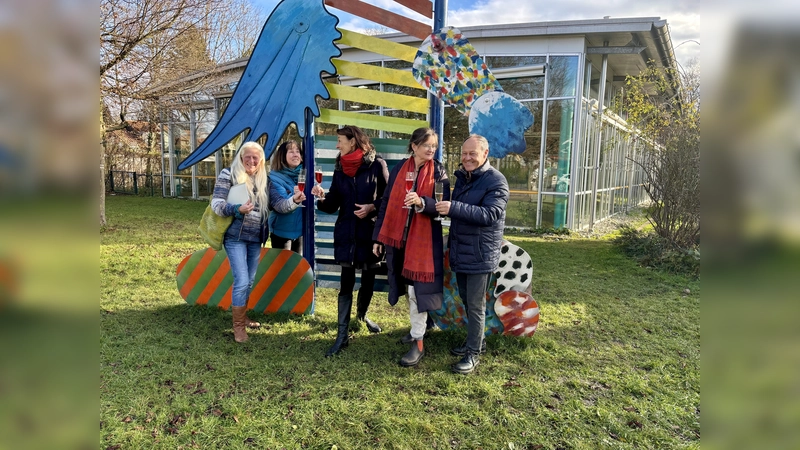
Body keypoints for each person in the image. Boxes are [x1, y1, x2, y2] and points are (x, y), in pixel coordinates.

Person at [373, 127, 450, 367]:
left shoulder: (439, 171)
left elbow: (443, 203)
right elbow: (386, 202)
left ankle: (418, 342)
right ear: (414, 146)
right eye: (427, 145)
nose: (431, 150)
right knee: (409, 289)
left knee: (419, 292)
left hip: (424, 242)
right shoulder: (399, 169)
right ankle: (422, 327)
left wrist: (421, 203)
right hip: (399, 240)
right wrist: (379, 238)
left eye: (434, 146)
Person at [311, 125, 389, 357]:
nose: (337, 145)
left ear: (352, 142)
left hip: (370, 234)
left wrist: (371, 208)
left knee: (368, 279)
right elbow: (333, 203)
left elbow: (389, 198)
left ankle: (362, 316)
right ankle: (341, 336)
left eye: (339, 140)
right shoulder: (340, 168)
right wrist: (321, 198)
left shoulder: (377, 165)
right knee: (345, 284)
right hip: (346, 234)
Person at [435, 135, 509, 374]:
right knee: (468, 301)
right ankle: (477, 342)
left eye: (472, 154)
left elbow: (490, 214)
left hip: (480, 253)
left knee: (476, 305)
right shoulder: (465, 179)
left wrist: (453, 208)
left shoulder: (496, 181)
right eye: (464, 153)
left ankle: (473, 353)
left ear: (485, 154)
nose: (467, 158)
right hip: (462, 250)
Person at [211, 141, 270, 343]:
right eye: (248, 157)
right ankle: (238, 327)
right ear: (241, 157)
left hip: (255, 238)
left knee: (250, 282)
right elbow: (217, 204)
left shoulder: (263, 179)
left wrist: (295, 199)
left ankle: (243, 318)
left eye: (256, 157)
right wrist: (236, 210)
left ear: (261, 160)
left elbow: (278, 203)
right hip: (235, 237)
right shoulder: (229, 174)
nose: (252, 161)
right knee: (242, 281)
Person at [268, 140, 306, 254]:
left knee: (298, 270)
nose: (295, 154)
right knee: (282, 270)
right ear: (282, 156)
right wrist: (294, 195)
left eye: (297, 151)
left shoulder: (306, 174)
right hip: (281, 232)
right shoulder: (274, 178)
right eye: (291, 152)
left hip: (301, 232)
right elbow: (281, 204)